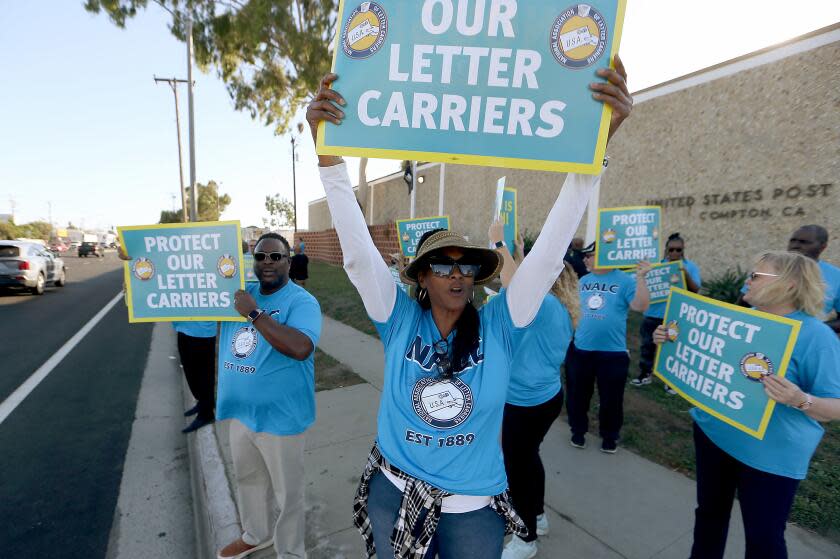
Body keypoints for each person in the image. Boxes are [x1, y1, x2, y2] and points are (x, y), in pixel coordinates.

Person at [306, 53, 632, 559]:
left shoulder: (501, 324)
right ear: (421, 279)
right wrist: (328, 158)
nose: (456, 274)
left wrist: (595, 151)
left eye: (465, 265)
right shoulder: (398, 320)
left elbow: (546, 260)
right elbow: (357, 256)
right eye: (442, 265)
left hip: (471, 508)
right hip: (396, 491)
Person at [653, 250, 840, 558]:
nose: (746, 281)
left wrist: (800, 399)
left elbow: (834, 407)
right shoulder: (735, 319)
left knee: (764, 539)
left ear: (790, 285)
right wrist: (672, 338)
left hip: (769, 456)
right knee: (709, 516)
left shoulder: (816, 337)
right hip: (714, 436)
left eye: (756, 276)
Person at [215, 232, 322, 559]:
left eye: (276, 256)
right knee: (247, 480)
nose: (267, 263)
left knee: (288, 495)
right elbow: (188, 296)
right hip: (242, 413)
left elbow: (301, 347)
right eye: (260, 256)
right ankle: (255, 534)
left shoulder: (301, 301)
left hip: (282, 418)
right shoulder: (240, 295)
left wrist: (255, 314)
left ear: (289, 261)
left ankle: (290, 552)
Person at [488, 220, 580, 559]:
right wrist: (520, 254)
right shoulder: (556, 308)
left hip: (525, 403)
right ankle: (538, 517)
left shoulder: (544, 306)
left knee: (517, 468)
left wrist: (498, 244)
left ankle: (525, 539)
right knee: (529, 459)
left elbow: (516, 286)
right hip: (544, 398)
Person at [117, 245, 217, 433]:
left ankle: (206, 412)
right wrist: (129, 267)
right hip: (182, 326)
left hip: (202, 329)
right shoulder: (173, 267)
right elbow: (152, 275)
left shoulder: (205, 265)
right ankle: (202, 403)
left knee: (203, 374)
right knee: (190, 372)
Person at [566, 243, 651, 452]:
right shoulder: (583, 280)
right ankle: (578, 432)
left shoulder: (624, 281)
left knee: (611, 400)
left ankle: (610, 437)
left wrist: (641, 277)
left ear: (605, 257)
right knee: (577, 395)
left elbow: (641, 306)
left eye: (589, 255)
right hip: (581, 350)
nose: (585, 259)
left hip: (612, 353)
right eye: (584, 256)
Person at [737, 225, 840, 334]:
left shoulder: (836, 276)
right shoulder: (770, 268)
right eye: (793, 241)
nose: (795, 245)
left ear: (822, 247)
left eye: (804, 242)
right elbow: (741, 307)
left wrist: (806, 329)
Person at [631, 232, 701, 393]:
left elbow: (695, 289)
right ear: (666, 250)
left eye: (679, 250)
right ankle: (645, 374)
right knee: (648, 346)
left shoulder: (690, 267)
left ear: (683, 250)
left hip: (676, 317)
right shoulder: (655, 266)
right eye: (672, 250)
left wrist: (683, 272)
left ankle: (670, 381)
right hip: (653, 314)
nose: (675, 253)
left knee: (672, 349)